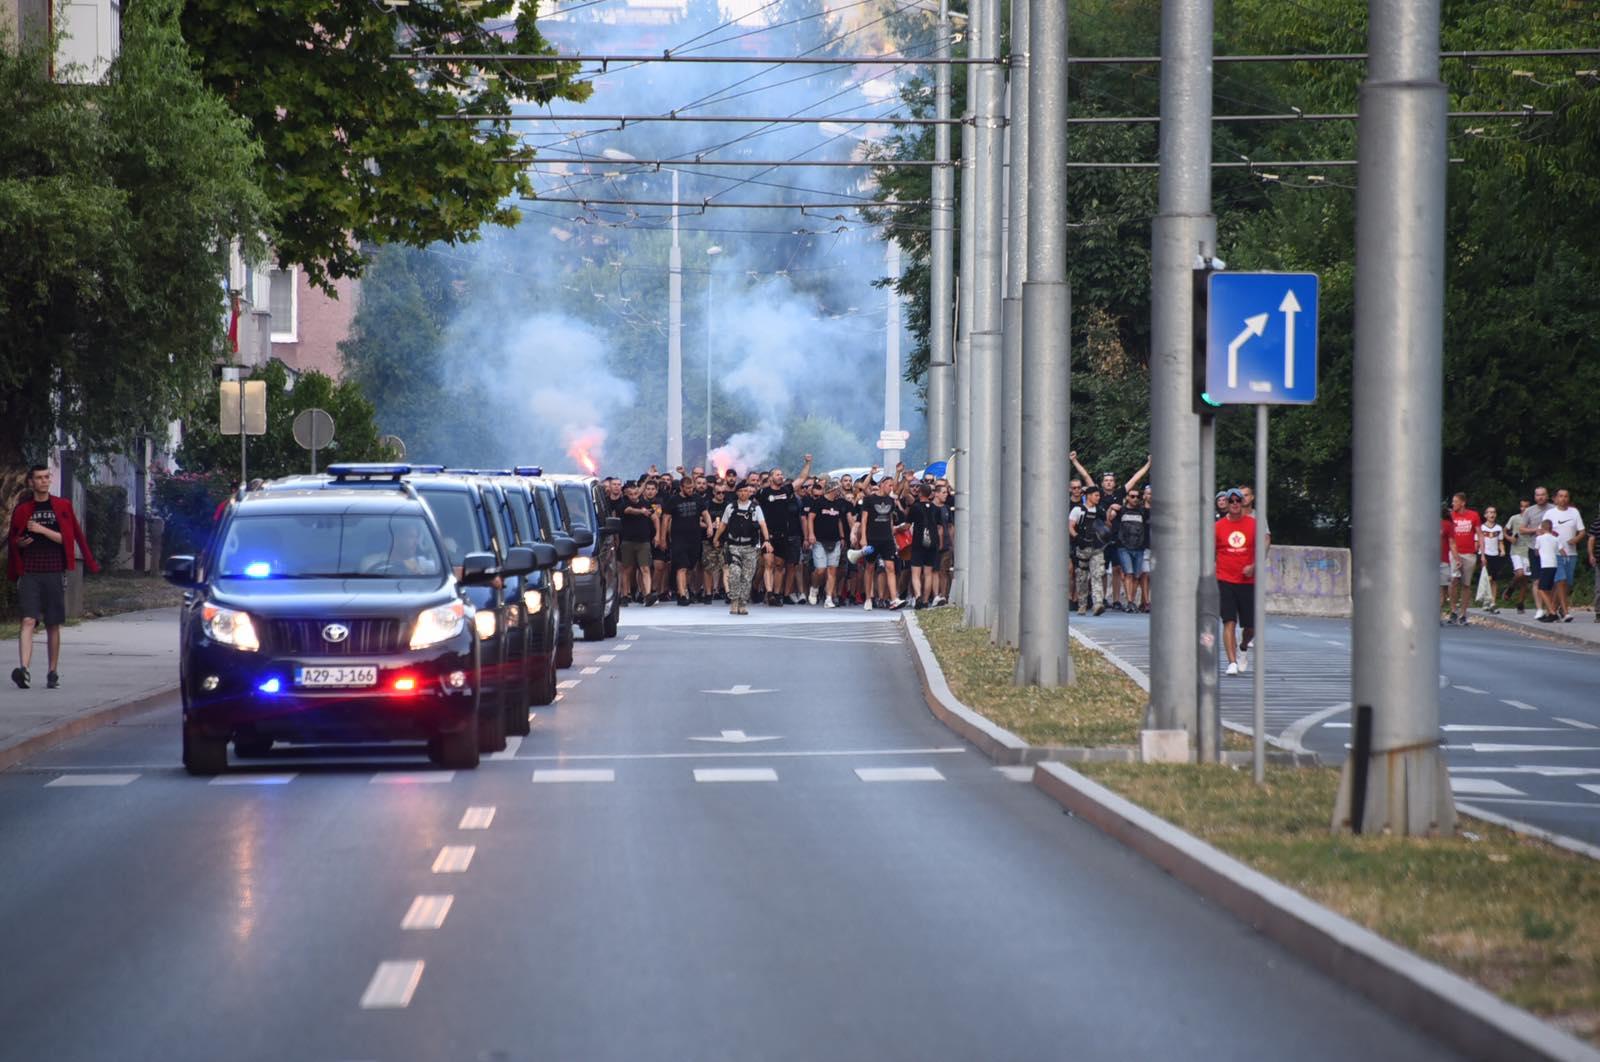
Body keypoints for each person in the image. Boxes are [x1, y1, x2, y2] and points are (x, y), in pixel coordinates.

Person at [9, 465, 100, 689]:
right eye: (38, 478)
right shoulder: (22, 510)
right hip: (30, 571)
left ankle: (52, 671)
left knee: (52, 623)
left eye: (46, 477)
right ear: (31, 482)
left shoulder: (62, 506)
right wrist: (20, 543)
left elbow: (68, 539)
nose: (43, 481)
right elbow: (14, 540)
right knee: (28, 619)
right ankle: (24, 670)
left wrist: (41, 529)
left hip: (53, 570)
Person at [1215, 488, 1262, 676]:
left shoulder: (1253, 525)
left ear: (1243, 502)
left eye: (1237, 500)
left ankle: (1243, 647)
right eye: (1231, 500)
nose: (1234, 504)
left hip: (1247, 581)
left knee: (1250, 627)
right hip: (1224, 579)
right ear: (1226, 503)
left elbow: (1262, 549)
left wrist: (1253, 566)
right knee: (1229, 621)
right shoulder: (1217, 527)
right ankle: (1232, 662)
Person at [716, 482, 770, 615]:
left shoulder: (755, 508)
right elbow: (723, 524)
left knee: (747, 577)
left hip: (750, 547)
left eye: (746, 491)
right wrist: (716, 538)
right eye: (741, 491)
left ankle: (743, 602)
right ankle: (734, 601)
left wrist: (767, 540)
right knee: (734, 573)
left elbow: (763, 524)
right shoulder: (731, 507)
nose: (744, 493)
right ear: (737, 492)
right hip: (733, 546)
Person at [853, 474, 906, 610]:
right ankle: (868, 599)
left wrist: (892, 537)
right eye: (889, 485)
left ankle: (894, 599)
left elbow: (890, 520)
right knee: (870, 567)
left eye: (892, 485)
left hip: (887, 539)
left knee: (890, 567)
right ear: (882, 484)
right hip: (872, 538)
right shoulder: (869, 500)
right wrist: (863, 538)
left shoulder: (890, 501)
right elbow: (864, 520)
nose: (891, 487)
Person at [664, 480, 710, 607]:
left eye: (691, 488)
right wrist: (662, 537)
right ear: (682, 488)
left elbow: (705, 513)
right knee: (681, 567)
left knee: (690, 566)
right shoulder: (674, 500)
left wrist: (710, 526)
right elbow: (666, 518)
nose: (690, 490)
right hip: (678, 538)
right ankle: (682, 594)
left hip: (694, 538)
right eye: (688, 488)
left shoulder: (697, 498)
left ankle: (685, 589)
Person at [807, 482, 850, 608]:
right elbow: (810, 518)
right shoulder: (819, 502)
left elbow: (839, 521)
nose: (839, 491)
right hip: (819, 540)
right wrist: (811, 534)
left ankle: (829, 598)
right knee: (820, 570)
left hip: (835, 540)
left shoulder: (838, 504)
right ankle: (814, 587)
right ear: (832, 489)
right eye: (837, 489)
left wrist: (842, 537)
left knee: (832, 570)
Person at [1070, 485, 1110, 616]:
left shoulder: (1099, 510)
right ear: (1088, 496)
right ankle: (1082, 604)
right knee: (1081, 577)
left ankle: (1098, 604)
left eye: (1099, 495)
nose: (1098, 498)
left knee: (1097, 574)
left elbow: (1106, 525)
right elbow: (1070, 526)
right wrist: (1077, 538)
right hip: (1082, 548)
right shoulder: (1077, 510)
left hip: (1097, 548)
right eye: (1096, 495)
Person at [1545, 489, 1584, 622]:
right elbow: (1544, 531)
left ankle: (1553, 610)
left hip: (1571, 552)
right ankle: (1565, 611)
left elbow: (1582, 531)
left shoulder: (1574, 512)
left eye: (1566, 496)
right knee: (1560, 580)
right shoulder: (1550, 513)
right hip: (1555, 552)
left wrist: (1576, 539)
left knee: (1567, 582)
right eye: (1560, 496)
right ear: (1555, 498)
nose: (1563, 499)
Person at [617, 481, 657, 606]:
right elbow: (629, 511)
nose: (634, 496)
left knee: (645, 568)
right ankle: (625, 594)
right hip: (628, 541)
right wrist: (642, 512)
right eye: (631, 494)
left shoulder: (645, 503)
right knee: (627, 569)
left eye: (636, 493)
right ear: (627, 495)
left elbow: (655, 518)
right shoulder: (623, 504)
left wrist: (658, 534)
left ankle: (648, 594)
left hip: (644, 542)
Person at [1445, 493, 1482, 626]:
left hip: (1470, 553)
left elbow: (1479, 534)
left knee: (1466, 584)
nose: (1453, 504)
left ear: (1463, 503)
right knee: (1454, 580)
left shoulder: (1473, 515)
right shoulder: (1450, 516)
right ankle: (1453, 610)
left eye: (1455, 502)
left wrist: (1482, 553)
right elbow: (1448, 537)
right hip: (1455, 552)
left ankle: (1463, 613)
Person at [906, 482, 944, 608]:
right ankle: (926, 600)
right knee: (928, 573)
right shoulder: (936, 509)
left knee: (916, 572)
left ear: (920, 493)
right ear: (930, 494)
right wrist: (940, 543)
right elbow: (939, 528)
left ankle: (917, 596)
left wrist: (897, 529)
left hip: (918, 543)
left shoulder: (915, 507)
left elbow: (907, 525)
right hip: (932, 543)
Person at [1112, 489, 1151, 613]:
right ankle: (1130, 601)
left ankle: (1133, 601)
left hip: (1139, 547)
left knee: (1136, 575)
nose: (1135, 498)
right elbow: (1110, 521)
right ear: (1127, 497)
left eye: (1137, 496)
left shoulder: (1143, 512)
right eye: (1132, 496)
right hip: (1124, 547)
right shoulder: (1120, 511)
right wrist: (1111, 509)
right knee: (1128, 573)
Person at [1524, 486, 1552, 619]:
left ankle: (1550, 608)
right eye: (1537, 495)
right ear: (1534, 497)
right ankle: (1539, 608)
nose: (1540, 497)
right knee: (1536, 580)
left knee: (1551, 580)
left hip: (1550, 550)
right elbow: (1522, 529)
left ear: (1547, 496)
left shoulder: (1553, 509)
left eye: (1543, 495)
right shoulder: (1529, 511)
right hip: (1534, 548)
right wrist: (1535, 530)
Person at [1502, 497, 1533, 613]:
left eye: (1526, 506)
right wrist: (1510, 538)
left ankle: (1520, 603)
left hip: (1528, 550)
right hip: (1516, 550)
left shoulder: (1532, 519)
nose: (1524, 508)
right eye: (1522, 506)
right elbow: (1504, 530)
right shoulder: (1514, 518)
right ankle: (1511, 588)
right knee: (1519, 574)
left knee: (1525, 578)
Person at [1478, 505, 1507, 614]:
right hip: (1485, 554)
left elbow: (1500, 542)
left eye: (1494, 512)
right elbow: (1478, 542)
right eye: (1489, 512)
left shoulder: (1498, 528)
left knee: (1494, 579)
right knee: (1487, 578)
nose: (1492, 514)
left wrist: (1502, 550)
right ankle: (1486, 601)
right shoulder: (1481, 528)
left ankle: (1492, 602)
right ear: (1485, 515)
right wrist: (1481, 555)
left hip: (1495, 555)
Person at [1534, 519, 1560, 622]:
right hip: (1554, 565)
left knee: (1540, 589)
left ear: (1543, 528)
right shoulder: (1555, 539)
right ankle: (1550, 611)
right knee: (1548, 590)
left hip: (1545, 565)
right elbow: (1561, 551)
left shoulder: (1539, 538)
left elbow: (1536, 552)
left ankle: (1552, 612)